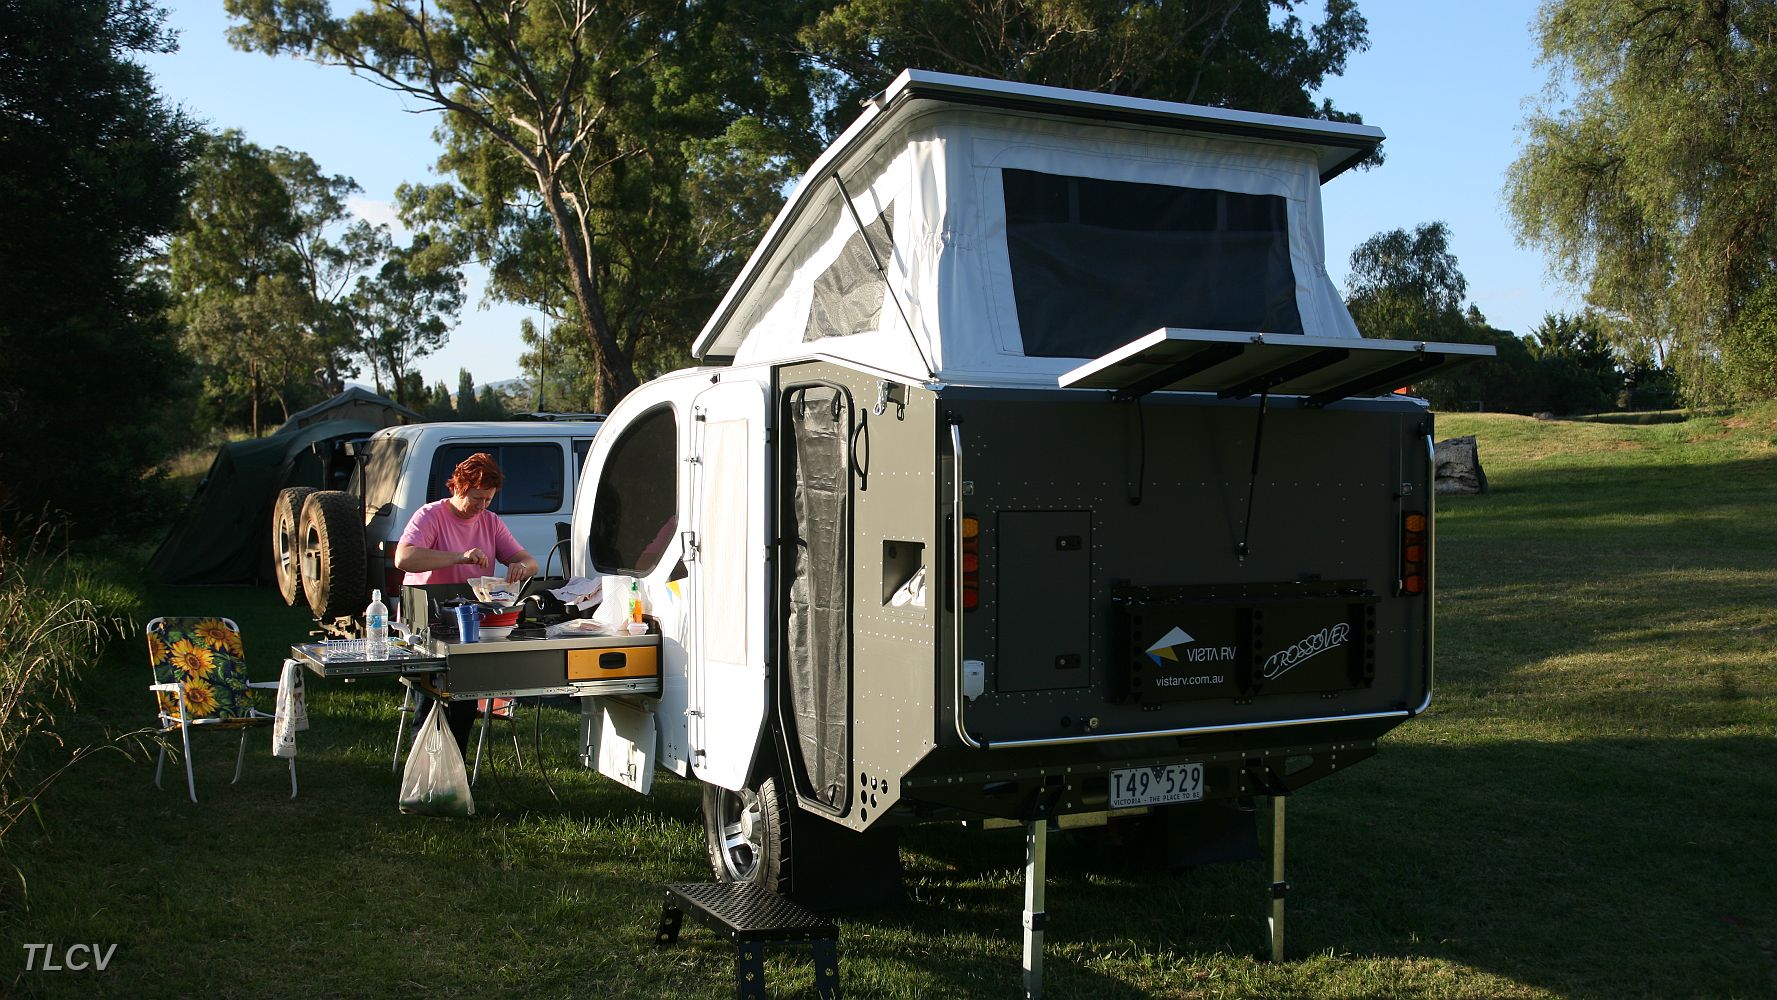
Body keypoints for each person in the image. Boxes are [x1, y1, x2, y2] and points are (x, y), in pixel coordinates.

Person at [394, 452, 539, 753]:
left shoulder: (490, 522)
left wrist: (521, 567)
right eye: (476, 498)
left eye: (488, 499)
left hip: (469, 623)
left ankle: (453, 768)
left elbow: (529, 561)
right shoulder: (430, 515)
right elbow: (403, 558)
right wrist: (460, 556)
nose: (482, 506)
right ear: (458, 487)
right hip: (429, 621)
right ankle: (423, 771)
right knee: (432, 698)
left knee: (465, 698)